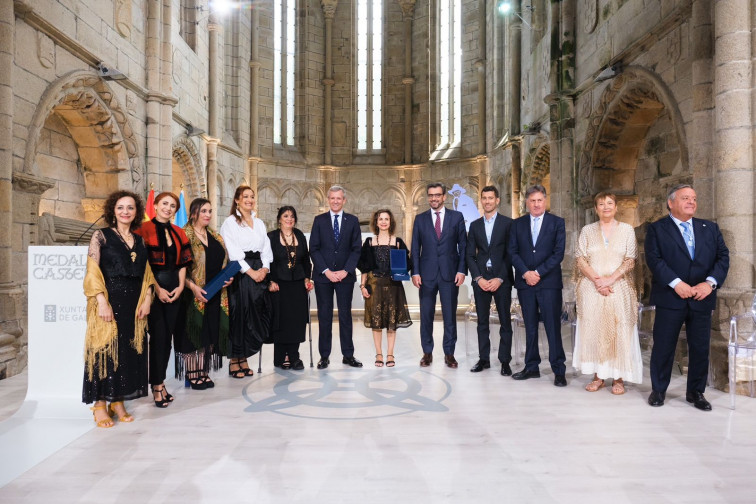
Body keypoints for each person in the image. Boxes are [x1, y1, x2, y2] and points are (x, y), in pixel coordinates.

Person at [645, 184, 729, 410]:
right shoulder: (657, 229)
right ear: (671, 203)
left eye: (693, 198)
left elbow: (723, 257)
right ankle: (659, 390)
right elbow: (654, 259)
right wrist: (676, 283)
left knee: (700, 347)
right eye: (685, 198)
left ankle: (696, 393)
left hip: (702, 297)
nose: (691, 201)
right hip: (671, 297)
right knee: (664, 346)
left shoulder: (709, 228)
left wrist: (709, 284)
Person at [83, 190, 157, 427]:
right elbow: (92, 271)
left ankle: (118, 400)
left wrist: (147, 299)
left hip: (134, 306)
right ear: (113, 211)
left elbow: (147, 274)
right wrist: (102, 302)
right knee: (104, 352)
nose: (125, 212)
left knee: (126, 353)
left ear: (136, 212)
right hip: (108, 302)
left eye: (130, 208)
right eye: (121, 207)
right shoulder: (101, 236)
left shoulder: (140, 240)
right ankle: (100, 405)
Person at [573, 192, 642, 395]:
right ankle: (598, 376)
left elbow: (631, 259)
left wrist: (610, 279)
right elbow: (580, 259)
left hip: (618, 288)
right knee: (594, 329)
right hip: (592, 288)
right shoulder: (587, 230)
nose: (605, 207)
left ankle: (619, 378)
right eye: (601, 204)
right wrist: (597, 280)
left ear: (616, 207)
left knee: (619, 329)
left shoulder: (627, 230)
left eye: (609, 203)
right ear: (596, 209)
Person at [135, 192, 192, 407]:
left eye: (172, 206)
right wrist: (156, 289)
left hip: (175, 290)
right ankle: (156, 386)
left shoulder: (179, 232)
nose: (168, 208)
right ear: (156, 206)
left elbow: (183, 263)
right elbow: (143, 265)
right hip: (152, 289)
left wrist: (179, 287)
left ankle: (161, 383)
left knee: (167, 340)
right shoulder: (142, 230)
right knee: (157, 339)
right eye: (164, 204)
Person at [508, 184, 568, 386]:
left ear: (545, 201)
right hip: (526, 284)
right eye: (532, 201)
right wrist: (526, 273)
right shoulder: (517, 224)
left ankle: (559, 369)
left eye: (539, 200)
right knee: (530, 326)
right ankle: (531, 367)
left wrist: (538, 273)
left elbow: (558, 253)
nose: (536, 204)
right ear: (527, 202)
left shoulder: (557, 223)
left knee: (553, 326)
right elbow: (512, 252)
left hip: (549, 283)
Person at [411, 182, 467, 368]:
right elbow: (415, 247)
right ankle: (427, 353)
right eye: (430, 195)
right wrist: (415, 272)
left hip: (449, 275)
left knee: (450, 316)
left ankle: (449, 354)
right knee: (426, 315)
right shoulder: (420, 219)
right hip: (426, 275)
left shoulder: (457, 217)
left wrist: (461, 270)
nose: (433, 198)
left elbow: (463, 247)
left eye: (437, 195)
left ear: (444, 197)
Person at [220, 186, 273, 378]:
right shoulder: (230, 223)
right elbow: (233, 252)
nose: (249, 200)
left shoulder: (259, 223)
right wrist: (251, 272)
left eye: (252, 197)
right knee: (239, 315)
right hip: (241, 272)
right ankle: (235, 359)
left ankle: (245, 358)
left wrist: (265, 269)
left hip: (259, 270)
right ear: (237, 200)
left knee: (255, 315)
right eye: (245, 197)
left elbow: (266, 249)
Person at [310, 185, 363, 369]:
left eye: (338, 198)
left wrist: (346, 270)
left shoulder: (353, 221)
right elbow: (314, 248)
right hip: (323, 277)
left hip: (345, 277)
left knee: (345, 316)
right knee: (324, 317)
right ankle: (324, 356)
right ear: (328, 199)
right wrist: (326, 271)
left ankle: (348, 355)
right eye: (332, 198)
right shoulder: (319, 220)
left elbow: (357, 249)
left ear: (344, 200)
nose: (335, 201)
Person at [182, 198, 232, 390]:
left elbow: (223, 262)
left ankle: (202, 371)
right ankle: (192, 373)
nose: (208, 215)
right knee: (193, 333)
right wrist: (193, 287)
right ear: (194, 212)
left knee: (209, 332)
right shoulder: (184, 235)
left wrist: (228, 278)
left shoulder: (215, 236)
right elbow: (179, 268)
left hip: (215, 293)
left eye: (210, 211)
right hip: (193, 294)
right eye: (203, 211)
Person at [465, 186, 514, 375]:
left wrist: (500, 278)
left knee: (505, 322)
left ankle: (505, 361)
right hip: (482, 280)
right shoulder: (475, 225)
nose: (487, 201)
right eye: (484, 198)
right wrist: (478, 278)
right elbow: (470, 255)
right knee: (482, 322)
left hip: (502, 280)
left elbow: (511, 253)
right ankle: (483, 359)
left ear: (497, 200)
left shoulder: (508, 224)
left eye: (490, 198)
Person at [358, 209, 413, 367]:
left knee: (391, 322)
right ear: (376, 222)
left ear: (391, 222)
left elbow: (406, 265)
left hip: (393, 287)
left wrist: (401, 271)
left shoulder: (397, 242)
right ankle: (379, 354)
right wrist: (363, 286)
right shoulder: (369, 242)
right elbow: (364, 268)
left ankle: (390, 354)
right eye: (380, 219)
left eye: (386, 219)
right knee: (376, 322)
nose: (383, 221)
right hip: (374, 286)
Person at [268, 206, 314, 370]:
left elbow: (306, 259)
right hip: (279, 285)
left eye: (292, 216)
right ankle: (281, 357)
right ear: (279, 218)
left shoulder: (299, 235)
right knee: (282, 321)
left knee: (296, 322)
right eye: (286, 216)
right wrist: (269, 281)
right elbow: (267, 261)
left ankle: (294, 357)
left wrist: (308, 278)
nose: (289, 219)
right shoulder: (272, 237)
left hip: (298, 285)